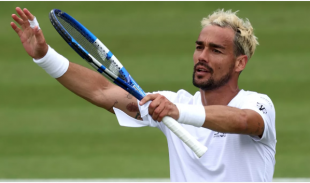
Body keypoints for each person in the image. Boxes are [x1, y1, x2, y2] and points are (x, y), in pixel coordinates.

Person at [11, 7, 276, 182]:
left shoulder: (256, 103)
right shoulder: (175, 102)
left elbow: (243, 121)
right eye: (199, 47)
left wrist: (177, 112)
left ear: (240, 63)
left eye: (216, 50)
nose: (202, 57)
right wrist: (45, 57)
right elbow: (102, 90)